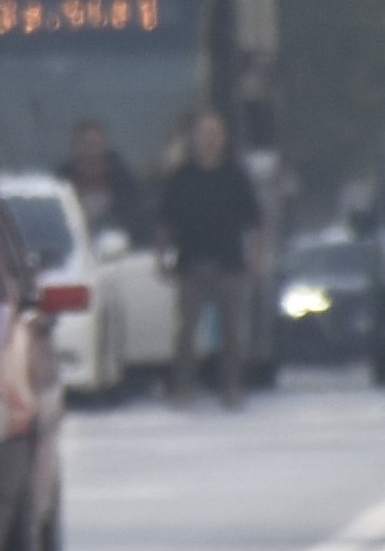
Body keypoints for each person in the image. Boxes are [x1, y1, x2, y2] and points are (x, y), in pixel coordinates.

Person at [156, 111, 267, 409]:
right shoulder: (180, 178)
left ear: (223, 139)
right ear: (193, 139)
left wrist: (256, 257)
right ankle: (183, 389)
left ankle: (231, 389)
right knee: (185, 335)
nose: (208, 140)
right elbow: (165, 223)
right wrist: (162, 259)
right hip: (190, 265)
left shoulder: (236, 177)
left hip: (229, 266)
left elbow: (255, 222)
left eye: (214, 134)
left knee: (232, 333)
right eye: (203, 134)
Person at [60, 117, 140, 250]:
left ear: (105, 145)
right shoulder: (60, 183)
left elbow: (136, 222)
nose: (90, 150)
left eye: (95, 144)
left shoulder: (124, 183)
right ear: (75, 147)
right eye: (85, 144)